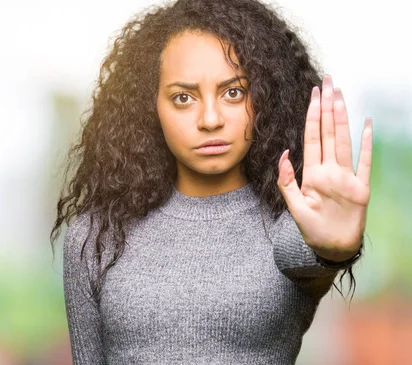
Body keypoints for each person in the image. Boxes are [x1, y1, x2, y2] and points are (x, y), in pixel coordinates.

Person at [49, 0, 373, 363]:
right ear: (149, 105)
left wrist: (337, 249)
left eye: (233, 92)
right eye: (183, 97)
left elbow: (313, 253)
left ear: (263, 97)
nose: (210, 119)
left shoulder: (290, 228)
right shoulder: (96, 237)